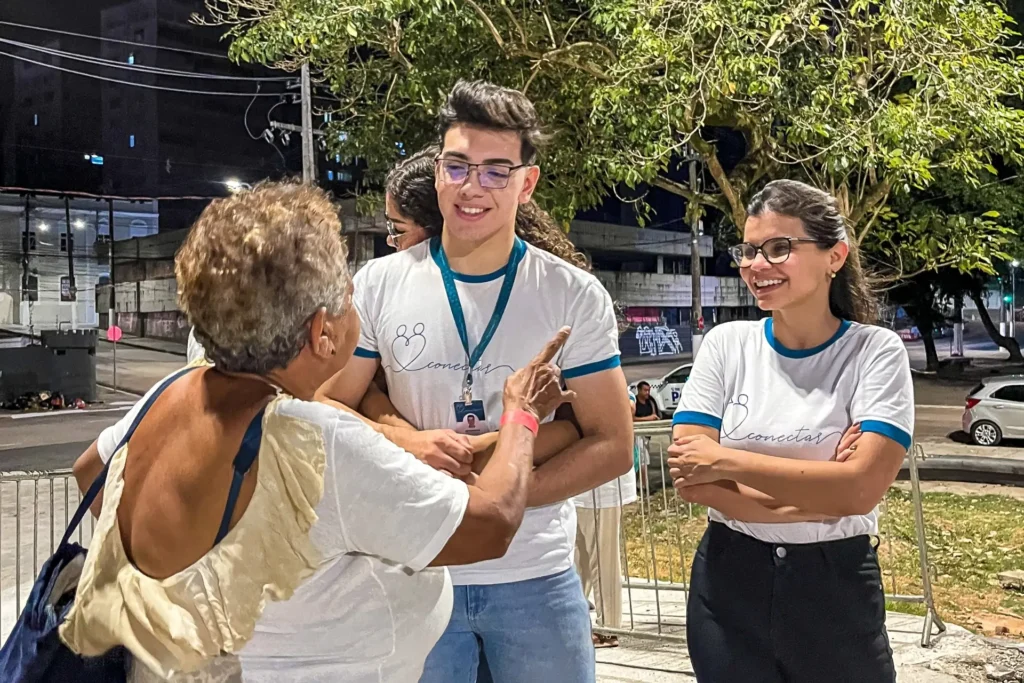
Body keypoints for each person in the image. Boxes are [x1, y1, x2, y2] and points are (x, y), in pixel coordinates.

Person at [62, 182, 575, 682]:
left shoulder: (172, 392)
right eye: (350, 298)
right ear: (322, 332)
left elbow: (91, 471)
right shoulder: (312, 442)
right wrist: (521, 413)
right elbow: (491, 524)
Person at [318, 80, 632, 683]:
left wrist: (496, 503)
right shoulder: (379, 283)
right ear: (438, 171)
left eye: (495, 171)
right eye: (458, 166)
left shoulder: (571, 294)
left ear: (526, 183)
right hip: (416, 572)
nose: (472, 187)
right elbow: (330, 403)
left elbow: (613, 444)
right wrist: (410, 444)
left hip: (535, 576)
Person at [668, 179, 910, 683]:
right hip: (728, 582)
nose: (757, 265)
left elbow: (861, 489)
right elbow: (692, 479)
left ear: (834, 256)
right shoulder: (725, 345)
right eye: (749, 250)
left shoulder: (874, 352)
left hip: (834, 587)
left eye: (779, 248)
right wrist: (822, 497)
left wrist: (726, 461)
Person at [573, 389, 638, 649]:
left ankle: (609, 627)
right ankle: (573, 622)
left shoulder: (605, 379)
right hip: (577, 484)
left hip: (602, 485)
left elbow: (629, 405)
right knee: (578, 560)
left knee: (603, 558)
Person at [632, 381, 659, 487]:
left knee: (645, 459)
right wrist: (648, 419)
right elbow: (631, 418)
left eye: (648, 390)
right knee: (642, 459)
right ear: (639, 390)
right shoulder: (634, 403)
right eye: (645, 390)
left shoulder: (650, 401)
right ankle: (644, 485)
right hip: (637, 434)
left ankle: (641, 483)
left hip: (647, 436)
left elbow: (655, 415)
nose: (647, 393)